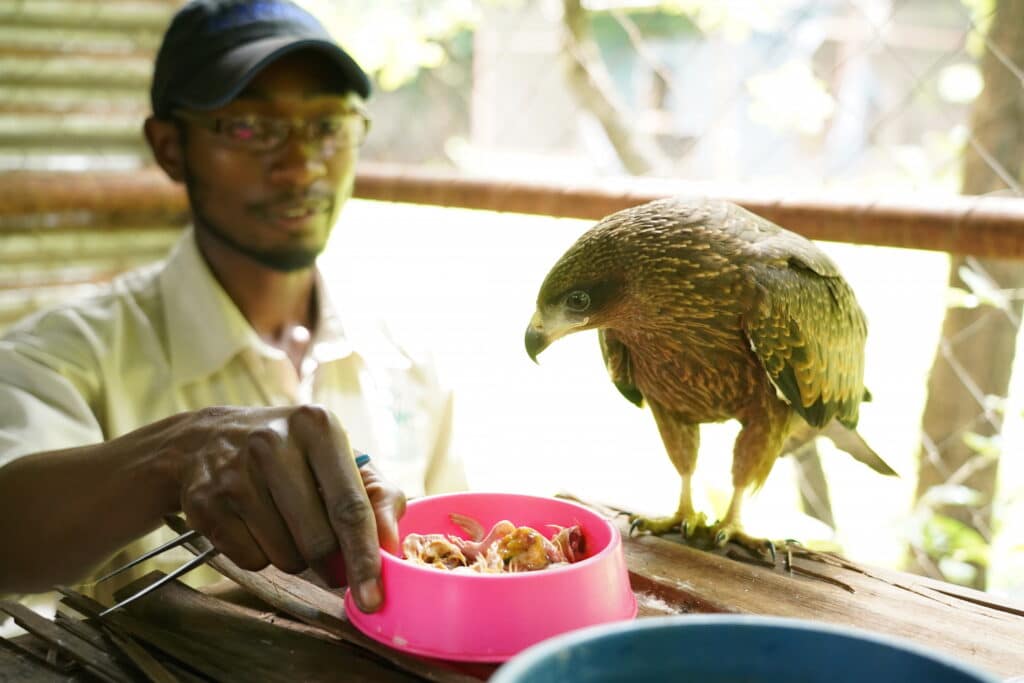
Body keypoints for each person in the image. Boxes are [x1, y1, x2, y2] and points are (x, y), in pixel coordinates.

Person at [0, 0, 466, 613]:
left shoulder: (405, 359)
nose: (301, 167)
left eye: (327, 127)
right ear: (170, 147)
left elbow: (458, 547)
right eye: (250, 128)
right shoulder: (62, 360)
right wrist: (171, 456)